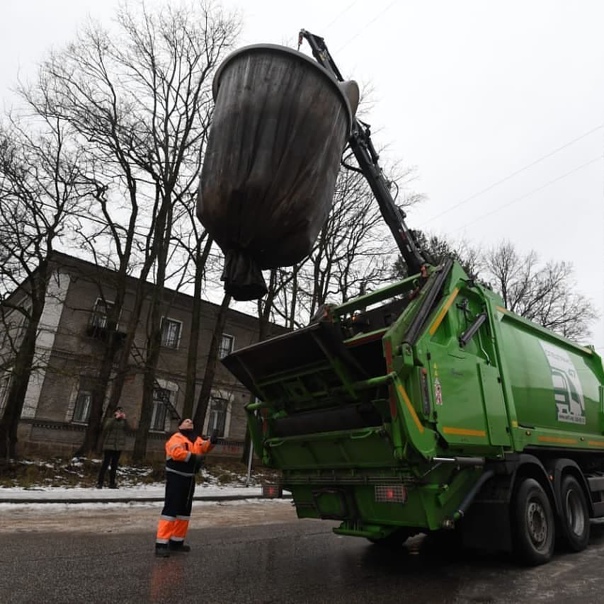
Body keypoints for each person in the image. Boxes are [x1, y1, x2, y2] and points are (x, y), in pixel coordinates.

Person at [155, 418, 218, 557]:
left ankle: (177, 542)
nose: (190, 422)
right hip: (176, 476)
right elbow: (176, 453)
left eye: (191, 421)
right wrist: (194, 457)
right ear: (180, 426)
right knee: (170, 510)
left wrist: (212, 441)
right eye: (186, 421)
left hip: (189, 478)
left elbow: (204, 447)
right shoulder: (176, 438)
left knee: (184, 511)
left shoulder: (195, 439)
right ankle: (161, 544)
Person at [96, 407, 128, 489]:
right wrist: (114, 419)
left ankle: (112, 483)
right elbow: (106, 428)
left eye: (121, 412)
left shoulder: (123, 422)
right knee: (105, 464)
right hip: (109, 446)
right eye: (118, 411)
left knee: (114, 465)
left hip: (118, 446)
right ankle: (100, 483)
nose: (119, 413)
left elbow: (128, 429)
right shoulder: (110, 420)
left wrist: (125, 420)